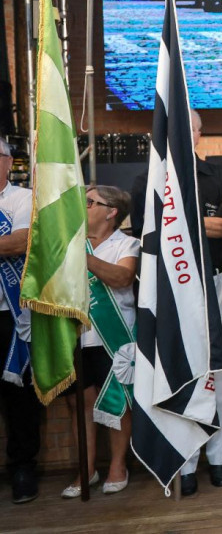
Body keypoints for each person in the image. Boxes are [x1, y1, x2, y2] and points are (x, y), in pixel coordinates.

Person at [130, 110, 222, 496]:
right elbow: (148, 235)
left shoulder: (219, 176)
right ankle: (186, 462)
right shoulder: (146, 182)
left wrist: (181, 222)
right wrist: (200, 225)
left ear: (198, 134)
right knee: (180, 373)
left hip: (219, 282)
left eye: (189, 128)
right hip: (172, 292)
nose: (181, 134)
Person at [62, 185, 139, 498]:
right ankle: (86, 469)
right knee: (80, 403)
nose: (85, 205)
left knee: (118, 401)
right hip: (77, 335)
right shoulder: (70, 241)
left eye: (91, 201)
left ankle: (118, 466)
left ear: (112, 212)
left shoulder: (127, 244)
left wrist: (84, 258)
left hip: (113, 336)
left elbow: (122, 278)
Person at [0, 138, 42, 503]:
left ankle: (23, 466)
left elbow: (19, 243)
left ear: (7, 161)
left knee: (19, 397)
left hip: (9, 314)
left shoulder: (21, 198)